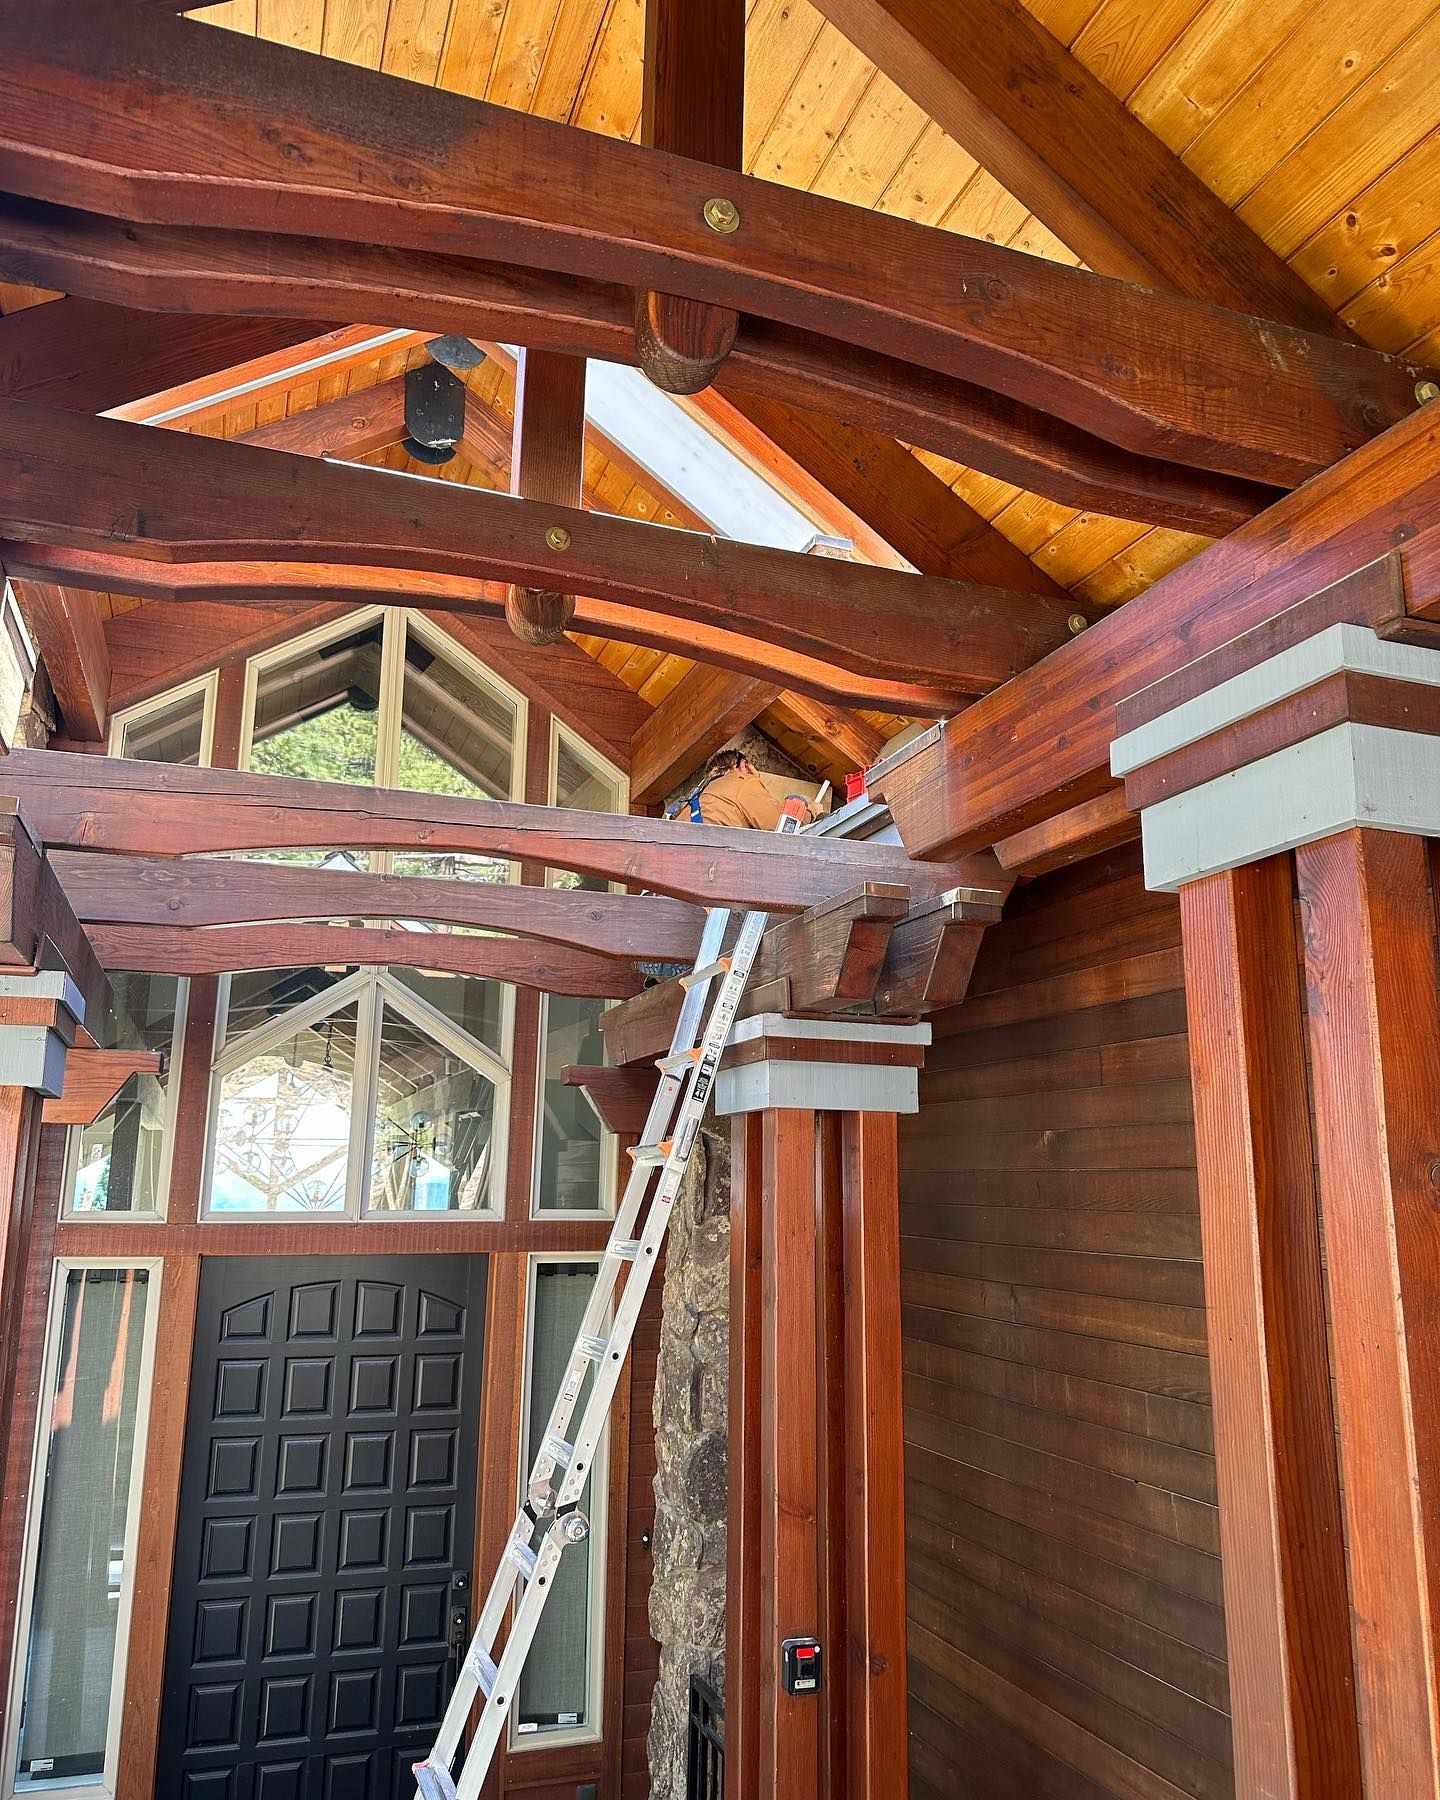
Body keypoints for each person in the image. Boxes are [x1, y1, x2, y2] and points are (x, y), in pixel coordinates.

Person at [669, 747, 810, 830]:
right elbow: (781, 826)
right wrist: (813, 812)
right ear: (743, 766)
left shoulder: (701, 796)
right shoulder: (742, 780)